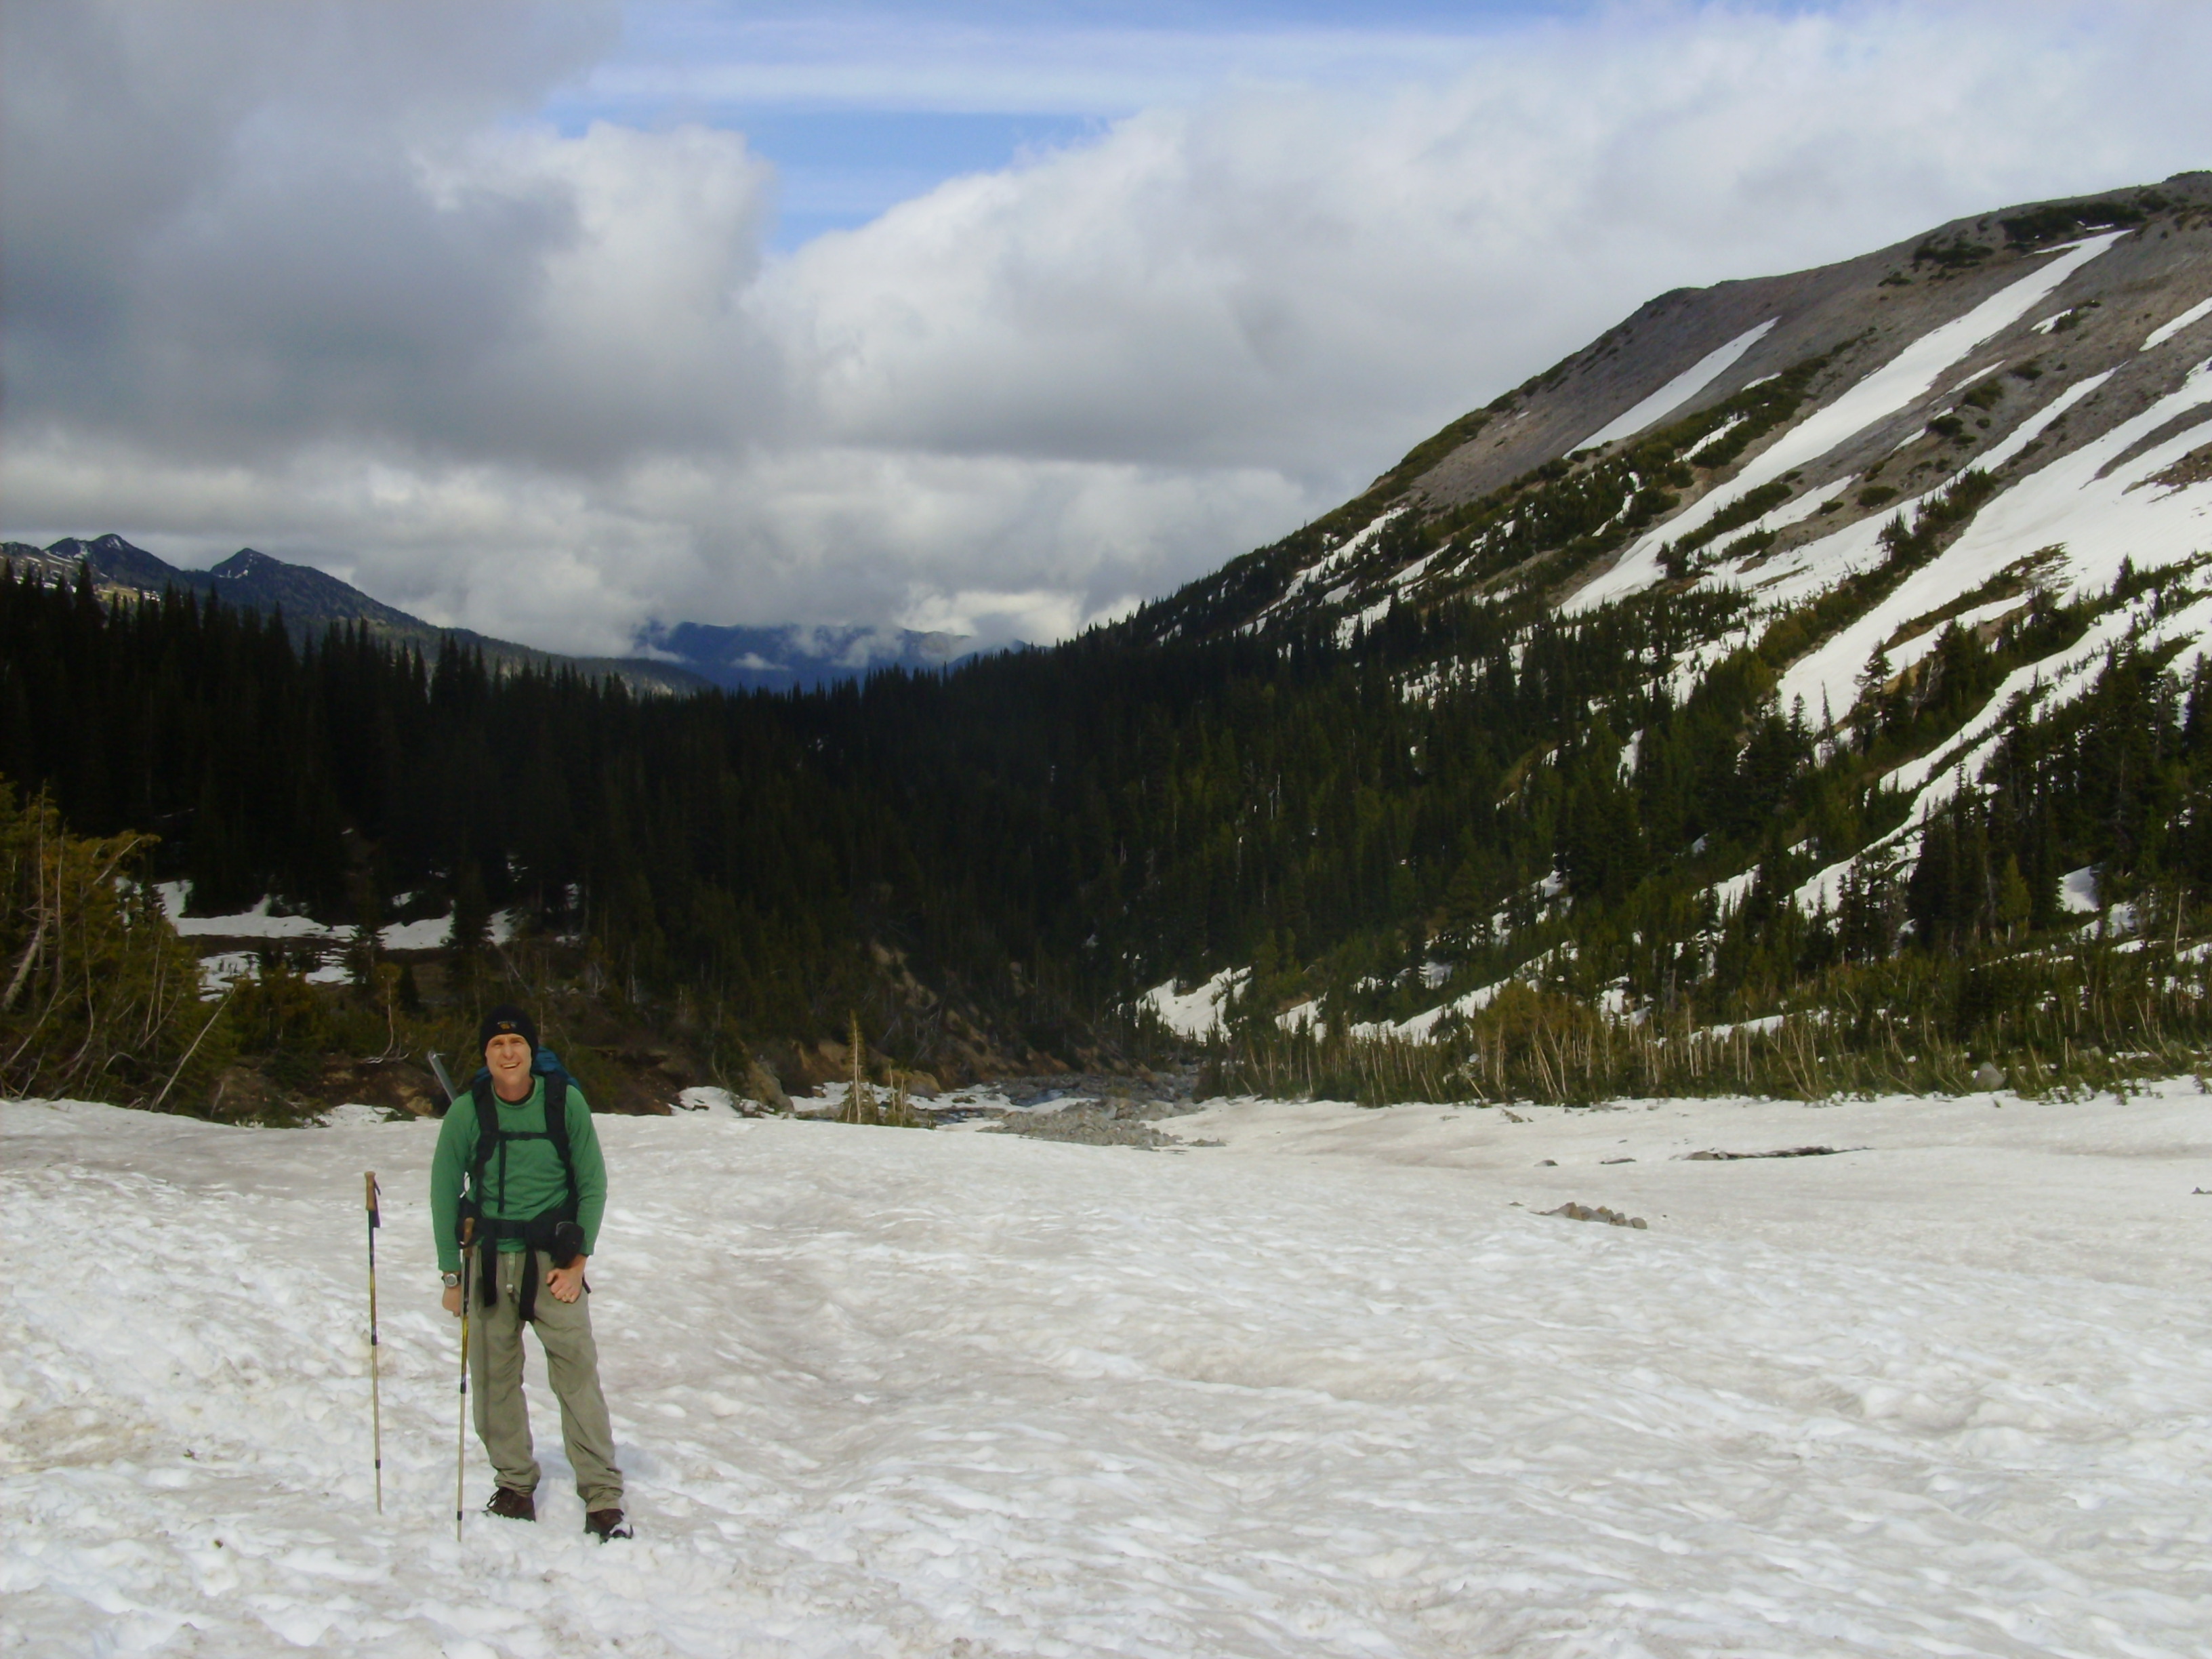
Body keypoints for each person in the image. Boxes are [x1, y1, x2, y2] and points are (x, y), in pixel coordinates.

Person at [431, 1003, 631, 1540]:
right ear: (485, 1055)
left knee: (577, 1378)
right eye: (496, 1045)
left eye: (516, 1042)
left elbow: (592, 1185)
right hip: (489, 1263)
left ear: (531, 1049)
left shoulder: (565, 1103)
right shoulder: (467, 1113)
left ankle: (603, 1497)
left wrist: (578, 1263)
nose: (507, 1053)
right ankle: (514, 1486)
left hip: (553, 1265)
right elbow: (443, 1190)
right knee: (493, 1380)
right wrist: (452, 1277)